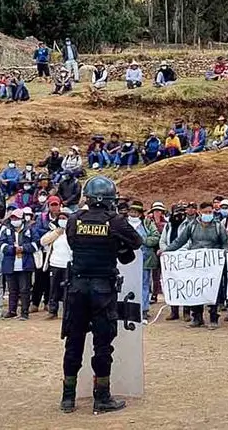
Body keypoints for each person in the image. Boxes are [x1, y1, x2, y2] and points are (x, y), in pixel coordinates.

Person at [58, 176, 142, 414]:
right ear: (108, 200)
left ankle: (68, 397)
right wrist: (116, 246)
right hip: (103, 290)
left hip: (76, 288)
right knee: (102, 345)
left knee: (73, 343)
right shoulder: (115, 221)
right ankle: (102, 397)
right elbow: (137, 242)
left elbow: (74, 242)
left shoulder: (74, 220)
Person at [162, 201, 228, 328]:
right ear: (200, 212)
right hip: (196, 265)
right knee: (196, 290)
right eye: (205, 212)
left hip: (213, 266)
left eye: (210, 212)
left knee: (213, 291)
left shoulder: (218, 227)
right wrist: (166, 251)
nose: (208, 214)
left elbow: (226, 243)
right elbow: (179, 241)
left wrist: (224, 253)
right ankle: (197, 317)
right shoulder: (191, 226)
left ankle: (213, 318)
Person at [0, 208, 36, 320]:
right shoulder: (6, 231)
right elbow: (1, 245)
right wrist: (12, 249)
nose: (15, 220)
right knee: (12, 290)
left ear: (22, 219)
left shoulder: (30, 230)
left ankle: (24, 312)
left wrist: (23, 248)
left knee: (25, 289)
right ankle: (12, 310)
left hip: (25, 264)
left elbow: (36, 244)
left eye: (17, 218)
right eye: (13, 218)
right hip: (10, 264)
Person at [126, 200, 159, 320]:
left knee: (144, 285)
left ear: (140, 214)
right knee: (128, 284)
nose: (133, 214)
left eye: (135, 212)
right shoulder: (123, 224)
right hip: (127, 260)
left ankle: (143, 309)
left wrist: (142, 241)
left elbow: (155, 237)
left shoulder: (147, 223)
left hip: (145, 259)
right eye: (131, 212)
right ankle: (128, 308)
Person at [39, 206, 73, 320]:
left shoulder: (72, 233)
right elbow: (43, 241)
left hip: (68, 266)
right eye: (61, 218)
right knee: (54, 289)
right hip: (55, 264)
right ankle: (52, 311)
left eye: (65, 218)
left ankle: (67, 312)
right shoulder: (54, 232)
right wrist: (56, 233)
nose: (62, 220)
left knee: (67, 291)